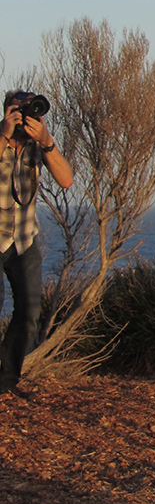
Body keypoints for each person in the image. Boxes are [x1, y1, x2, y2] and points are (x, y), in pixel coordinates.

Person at [0, 91, 73, 396]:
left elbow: (66, 179)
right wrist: (4, 135)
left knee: (29, 314)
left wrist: (46, 141)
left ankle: (6, 382)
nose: (24, 118)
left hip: (24, 239)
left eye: (29, 111)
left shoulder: (36, 145)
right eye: (17, 111)